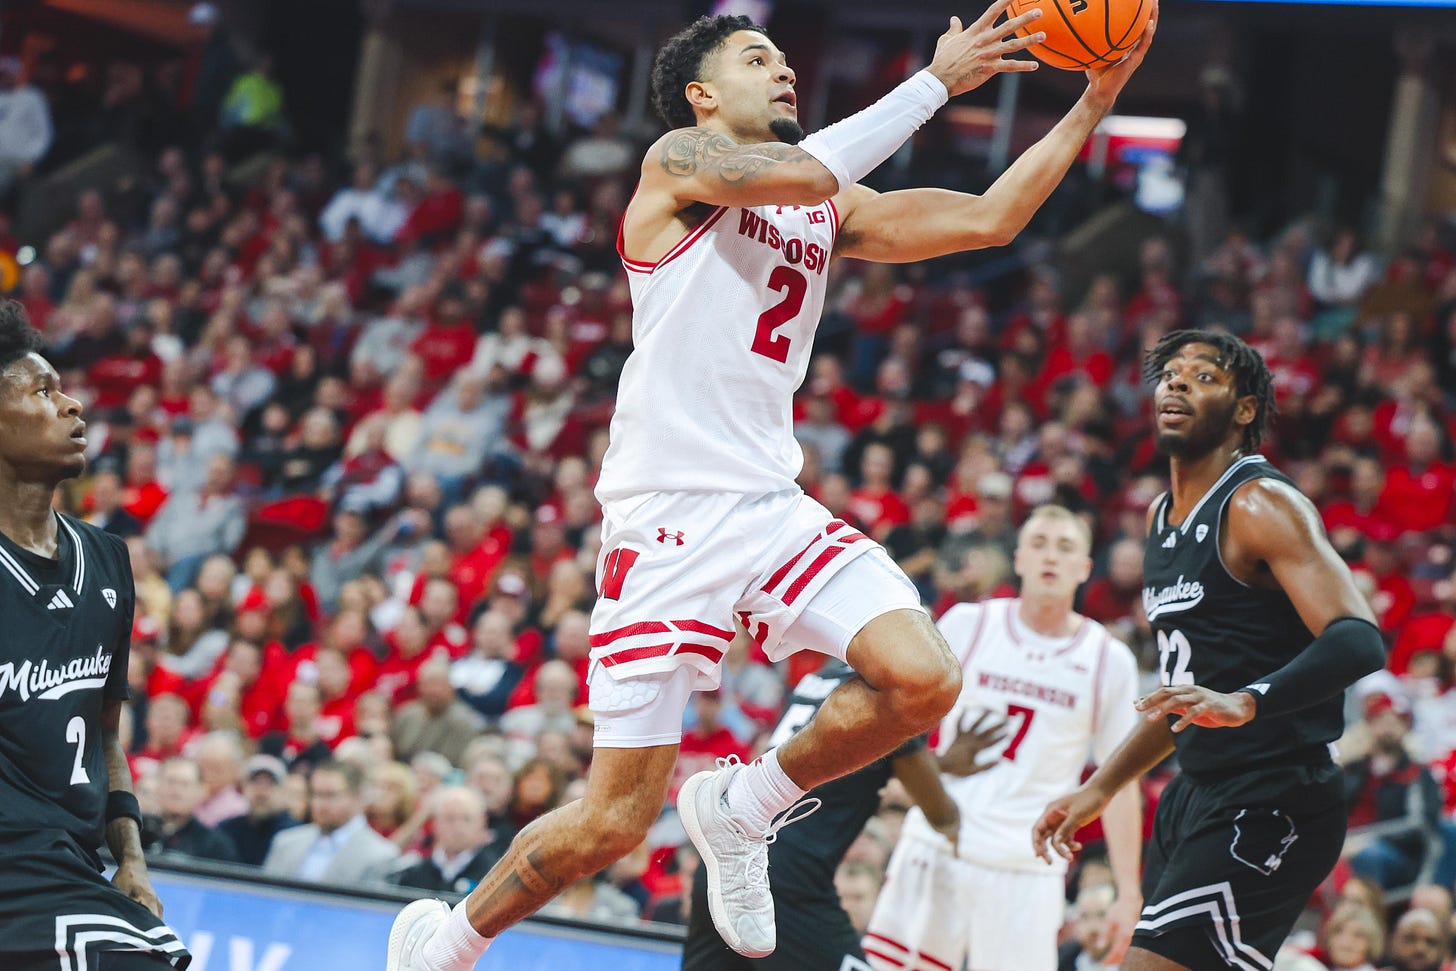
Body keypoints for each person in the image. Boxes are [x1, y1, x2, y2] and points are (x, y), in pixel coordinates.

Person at [388, 4, 1158, 967]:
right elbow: (808, 169)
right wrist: (938, 82)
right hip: (667, 517)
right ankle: (450, 941)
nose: (784, 70)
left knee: (924, 677)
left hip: (769, 504)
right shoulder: (678, 161)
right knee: (611, 823)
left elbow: (990, 218)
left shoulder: (822, 205)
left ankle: (744, 807)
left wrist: (1095, 100)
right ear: (705, 93)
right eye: (759, 57)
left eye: (785, 57)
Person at [1034, 330, 1387, 971]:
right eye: (1171, 374)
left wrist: (1247, 701)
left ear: (1244, 408)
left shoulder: (1258, 503)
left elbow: (1359, 638)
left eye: (1202, 376)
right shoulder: (1160, 518)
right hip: (1195, 794)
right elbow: (1186, 696)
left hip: (1276, 792)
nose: (1176, 383)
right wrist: (1102, 788)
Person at [864, 504, 1143, 971]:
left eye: (1065, 546)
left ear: (1084, 567)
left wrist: (1128, 891)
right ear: (1017, 559)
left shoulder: (1108, 659)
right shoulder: (969, 624)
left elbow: (1119, 781)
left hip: (1027, 866)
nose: (1050, 556)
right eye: (1038, 544)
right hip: (939, 843)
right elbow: (898, 725)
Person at [0, 301, 190, 968]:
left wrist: (132, 857)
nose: (74, 404)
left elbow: (105, 730)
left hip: (72, 866)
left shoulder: (108, 560)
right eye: (44, 392)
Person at [682, 658, 961, 970]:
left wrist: (940, 763)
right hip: (788, 882)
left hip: (727, 858)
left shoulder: (821, 676)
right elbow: (941, 814)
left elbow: (854, 755)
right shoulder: (895, 685)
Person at [262, 759, 400, 886]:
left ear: (357, 796)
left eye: (330, 795)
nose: (319, 804)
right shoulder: (286, 843)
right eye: (315, 794)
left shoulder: (380, 856)